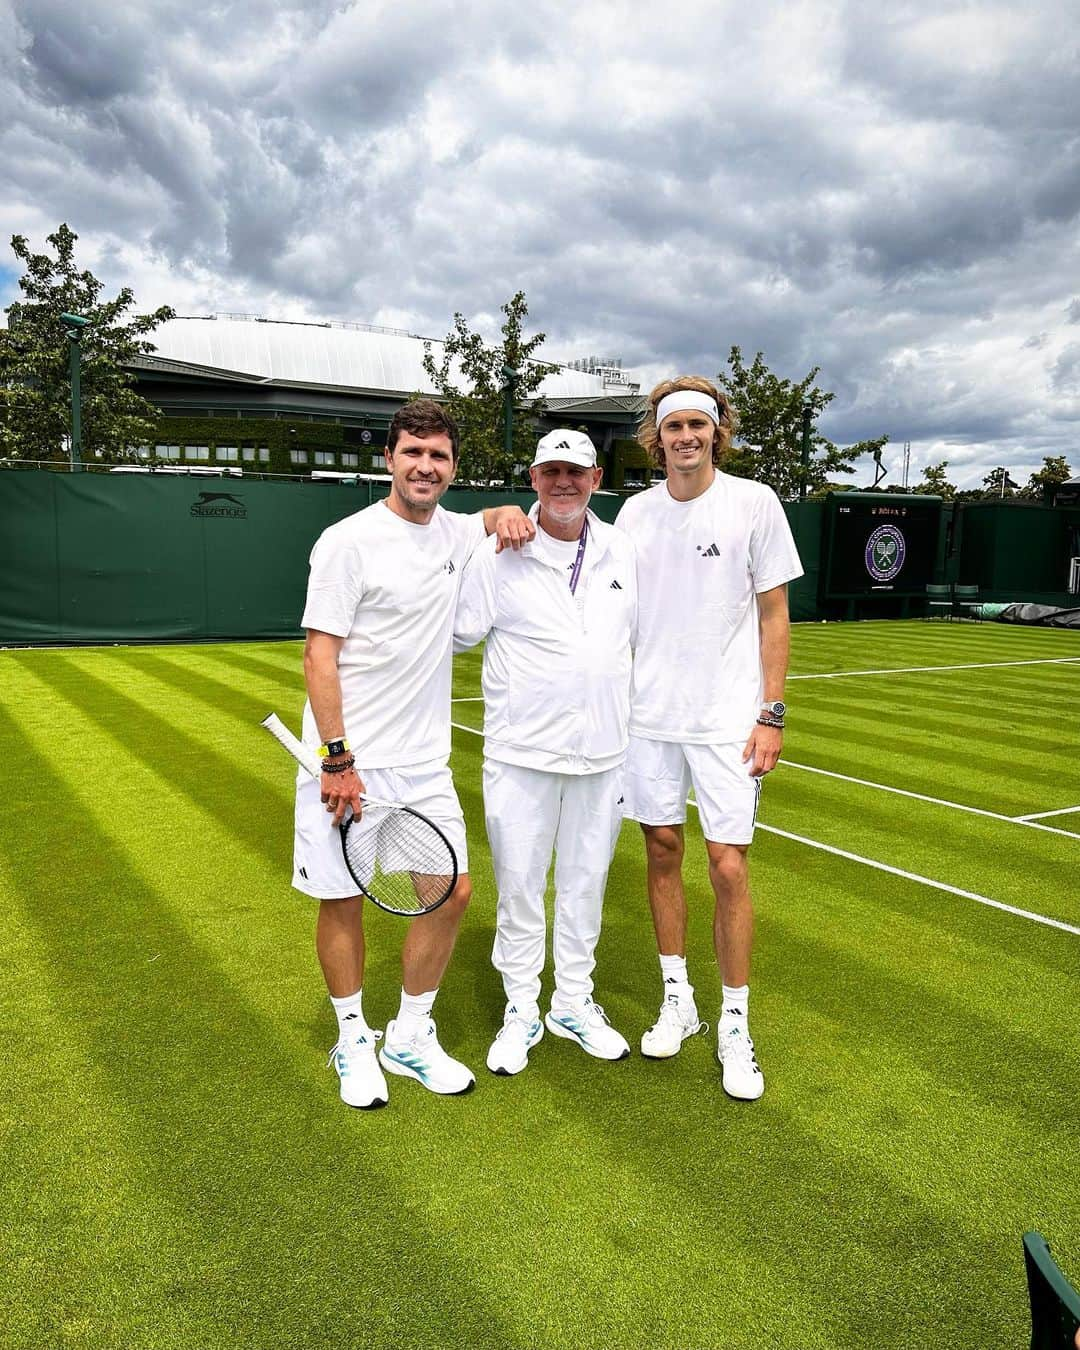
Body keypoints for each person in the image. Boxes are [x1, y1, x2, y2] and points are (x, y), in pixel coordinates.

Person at [294, 397, 534, 1108]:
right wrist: (337, 758)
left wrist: (508, 514)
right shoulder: (347, 541)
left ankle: (410, 1034)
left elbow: (488, 523)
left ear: (453, 467)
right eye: (413, 453)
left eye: (439, 456)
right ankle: (353, 1039)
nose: (425, 466)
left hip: (423, 762)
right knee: (341, 901)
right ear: (388, 460)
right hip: (349, 761)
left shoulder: (457, 533)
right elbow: (318, 654)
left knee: (451, 891)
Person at [614, 377, 803, 1100]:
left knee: (727, 866)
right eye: (673, 427)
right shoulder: (633, 514)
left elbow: (774, 616)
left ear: (716, 431)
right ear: (655, 439)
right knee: (661, 851)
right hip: (649, 719)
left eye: (698, 424)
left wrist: (771, 712)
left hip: (728, 720)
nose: (685, 437)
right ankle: (678, 999)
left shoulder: (754, 503)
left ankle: (734, 1021)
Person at [454, 429, 637, 1075]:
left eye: (576, 472)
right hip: (520, 755)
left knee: (585, 888)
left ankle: (573, 1004)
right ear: (533, 478)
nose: (564, 482)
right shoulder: (498, 553)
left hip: (603, 757)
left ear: (595, 480)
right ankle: (521, 1007)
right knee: (521, 890)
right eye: (551, 471)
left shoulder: (621, 551)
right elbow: (452, 634)